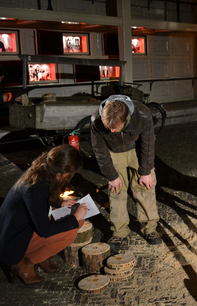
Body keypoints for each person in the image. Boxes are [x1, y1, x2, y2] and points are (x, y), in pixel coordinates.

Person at [0, 144, 87, 285]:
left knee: (79, 222)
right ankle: (25, 264)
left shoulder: (43, 169)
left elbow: (40, 202)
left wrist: (60, 204)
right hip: (13, 241)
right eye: (71, 174)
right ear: (63, 171)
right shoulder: (34, 188)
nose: (71, 177)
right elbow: (45, 230)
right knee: (71, 231)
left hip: (26, 226)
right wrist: (75, 217)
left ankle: (41, 255)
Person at [90, 94, 161, 251]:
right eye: (109, 128)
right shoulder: (96, 120)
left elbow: (148, 143)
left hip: (137, 149)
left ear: (127, 117)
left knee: (145, 186)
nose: (112, 131)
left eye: (115, 128)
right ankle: (119, 230)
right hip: (113, 152)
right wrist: (111, 176)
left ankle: (149, 228)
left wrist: (145, 170)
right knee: (116, 190)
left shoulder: (142, 114)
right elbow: (99, 151)